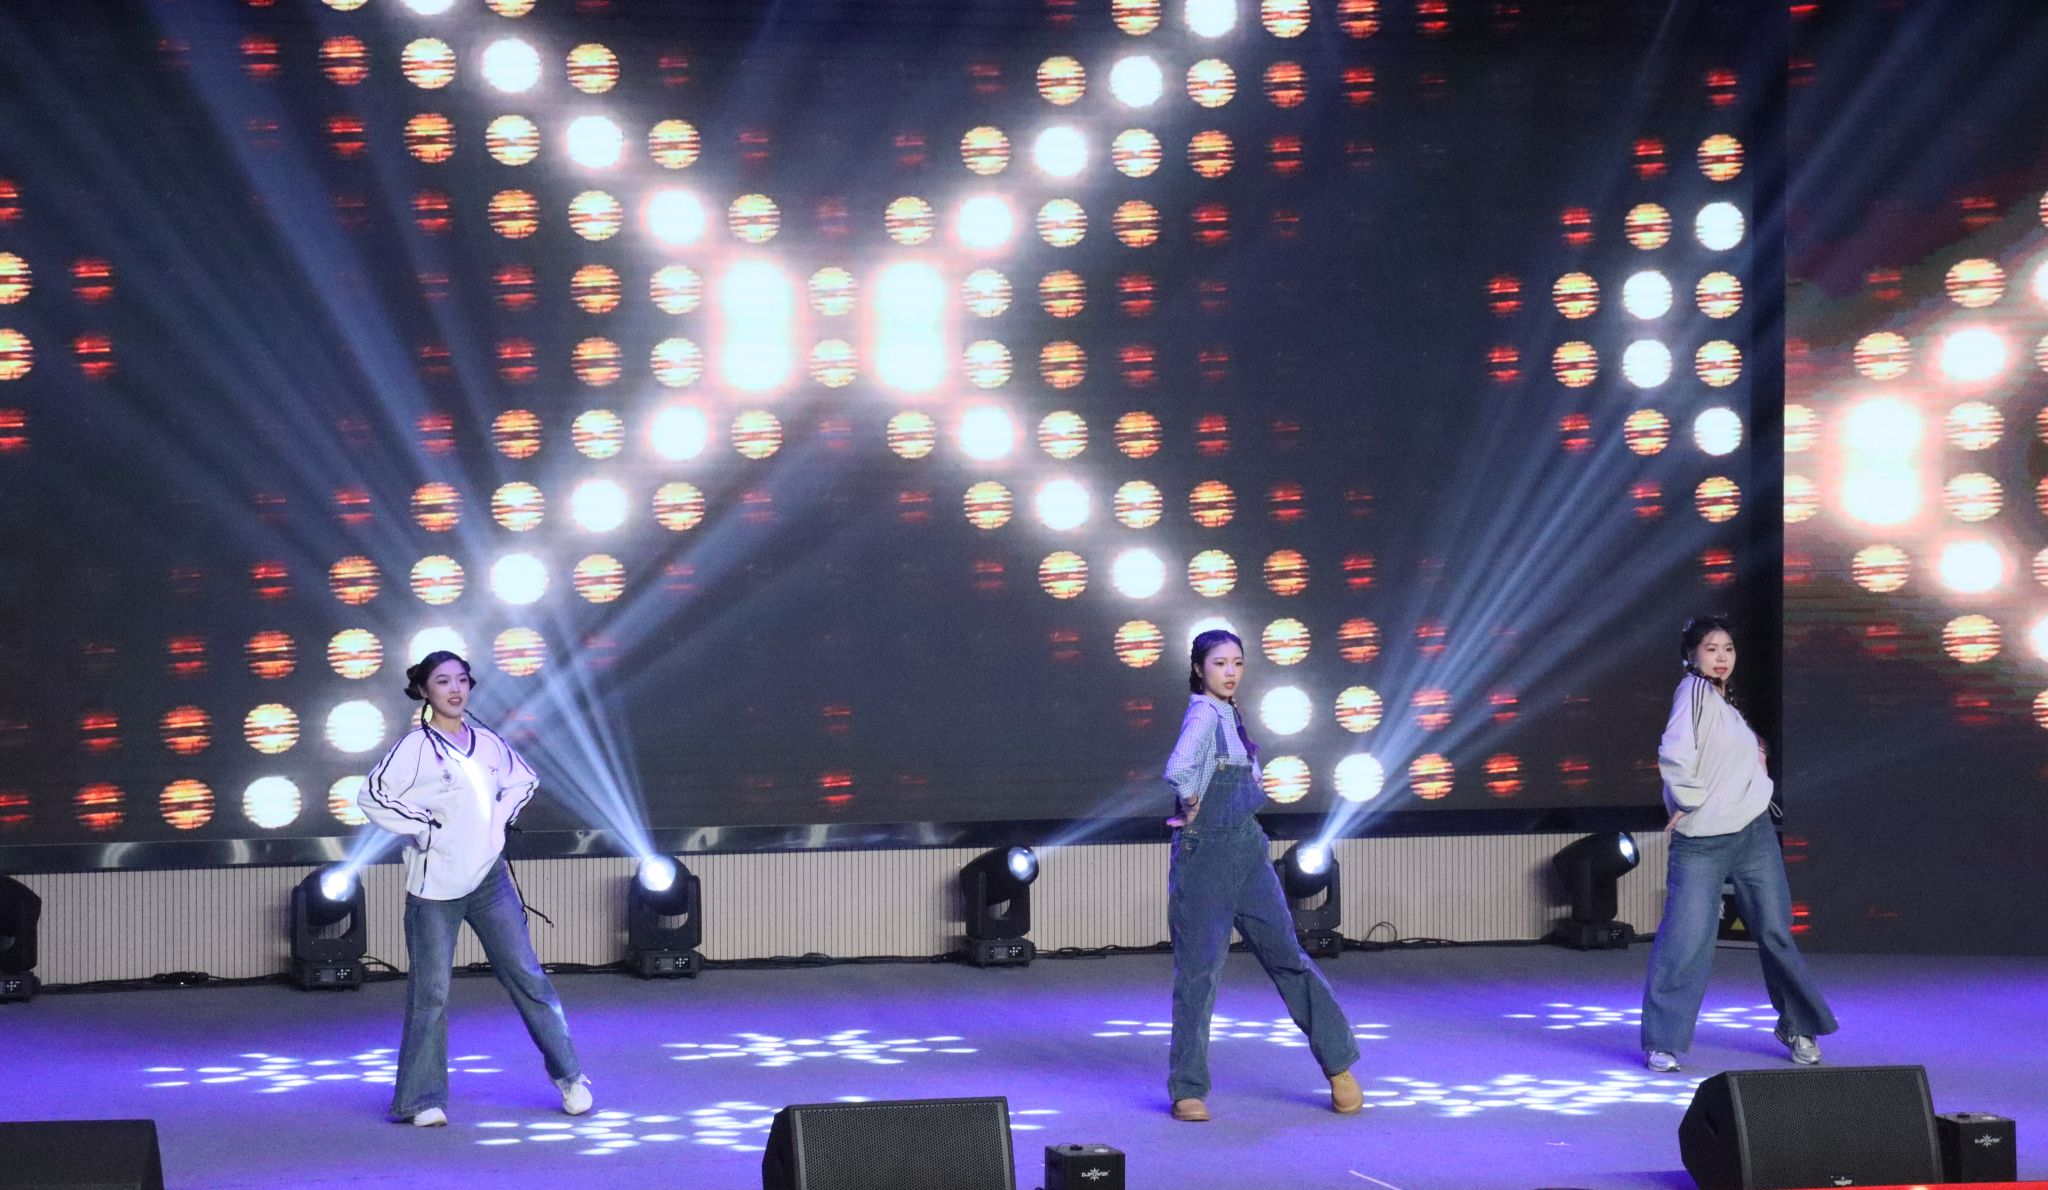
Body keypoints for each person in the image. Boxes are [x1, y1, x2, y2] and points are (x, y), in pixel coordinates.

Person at [358, 650, 591, 1127]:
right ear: (424, 690)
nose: (455, 689)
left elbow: (524, 780)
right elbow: (372, 795)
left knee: (528, 977)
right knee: (431, 993)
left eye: (462, 680)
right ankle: (422, 1099)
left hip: (489, 880)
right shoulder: (414, 748)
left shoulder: (487, 742)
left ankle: (570, 1076)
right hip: (435, 889)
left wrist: (497, 822)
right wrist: (424, 826)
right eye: (443, 681)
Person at [1163, 629, 1362, 1122]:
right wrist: (1192, 802)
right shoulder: (1203, 713)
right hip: (1207, 855)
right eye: (1219, 664)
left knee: (1288, 956)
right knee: (1200, 973)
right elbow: (1180, 767)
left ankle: (1339, 1066)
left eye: (1237, 662)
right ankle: (1188, 1089)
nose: (1230, 672)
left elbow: (1245, 780)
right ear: (1199, 670)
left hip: (1248, 850)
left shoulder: (1229, 713)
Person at [1641, 616, 1837, 1072]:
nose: (1721, 657)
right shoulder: (1692, 691)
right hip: (1702, 842)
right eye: (1711, 649)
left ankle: (1797, 1026)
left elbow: (1730, 756)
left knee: (1774, 931)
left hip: (1753, 833)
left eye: (1728, 649)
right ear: (1691, 655)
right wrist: (1688, 801)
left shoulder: (1723, 700)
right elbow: (1674, 752)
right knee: (1686, 939)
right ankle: (1663, 1040)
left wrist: (1757, 763)